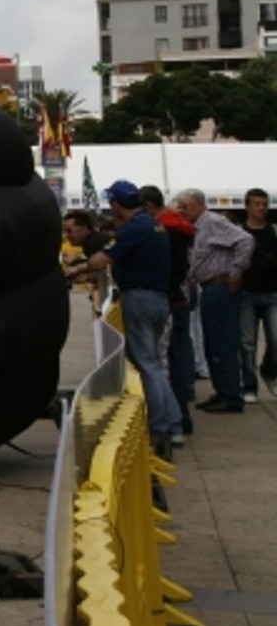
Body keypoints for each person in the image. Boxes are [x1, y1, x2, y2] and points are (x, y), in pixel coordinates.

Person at [67, 180, 181, 455]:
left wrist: (76, 269)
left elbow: (102, 260)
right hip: (157, 298)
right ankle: (174, 422)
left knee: (147, 365)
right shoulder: (154, 224)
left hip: (140, 298)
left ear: (117, 204)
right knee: (153, 361)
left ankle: (163, 427)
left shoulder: (135, 229)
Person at [175, 188, 253, 414]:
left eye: (185, 207)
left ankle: (230, 395)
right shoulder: (197, 226)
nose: (182, 211)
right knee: (212, 342)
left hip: (220, 285)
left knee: (222, 342)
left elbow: (245, 240)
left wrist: (236, 271)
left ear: (199, 205)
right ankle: (222, 391)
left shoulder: (212, 221)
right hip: (208, 286)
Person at [141, 186, 196, 442]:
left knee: (162, 363)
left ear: (150, 206)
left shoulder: (162, 229)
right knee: (179, 357)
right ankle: (181, 414)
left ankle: (173, 421)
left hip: (168, 297)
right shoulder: (180, 227)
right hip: (180, 296)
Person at [239, 187, 277, 397]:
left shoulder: (273, 230)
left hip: (272, 293)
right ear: (247, 206)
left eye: (264, 205)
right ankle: (249, 385)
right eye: (257, 204)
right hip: (247, 294)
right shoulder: (239, 231)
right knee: (247, 344)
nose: (261, 208)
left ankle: (270, 371)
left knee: (275, 338)